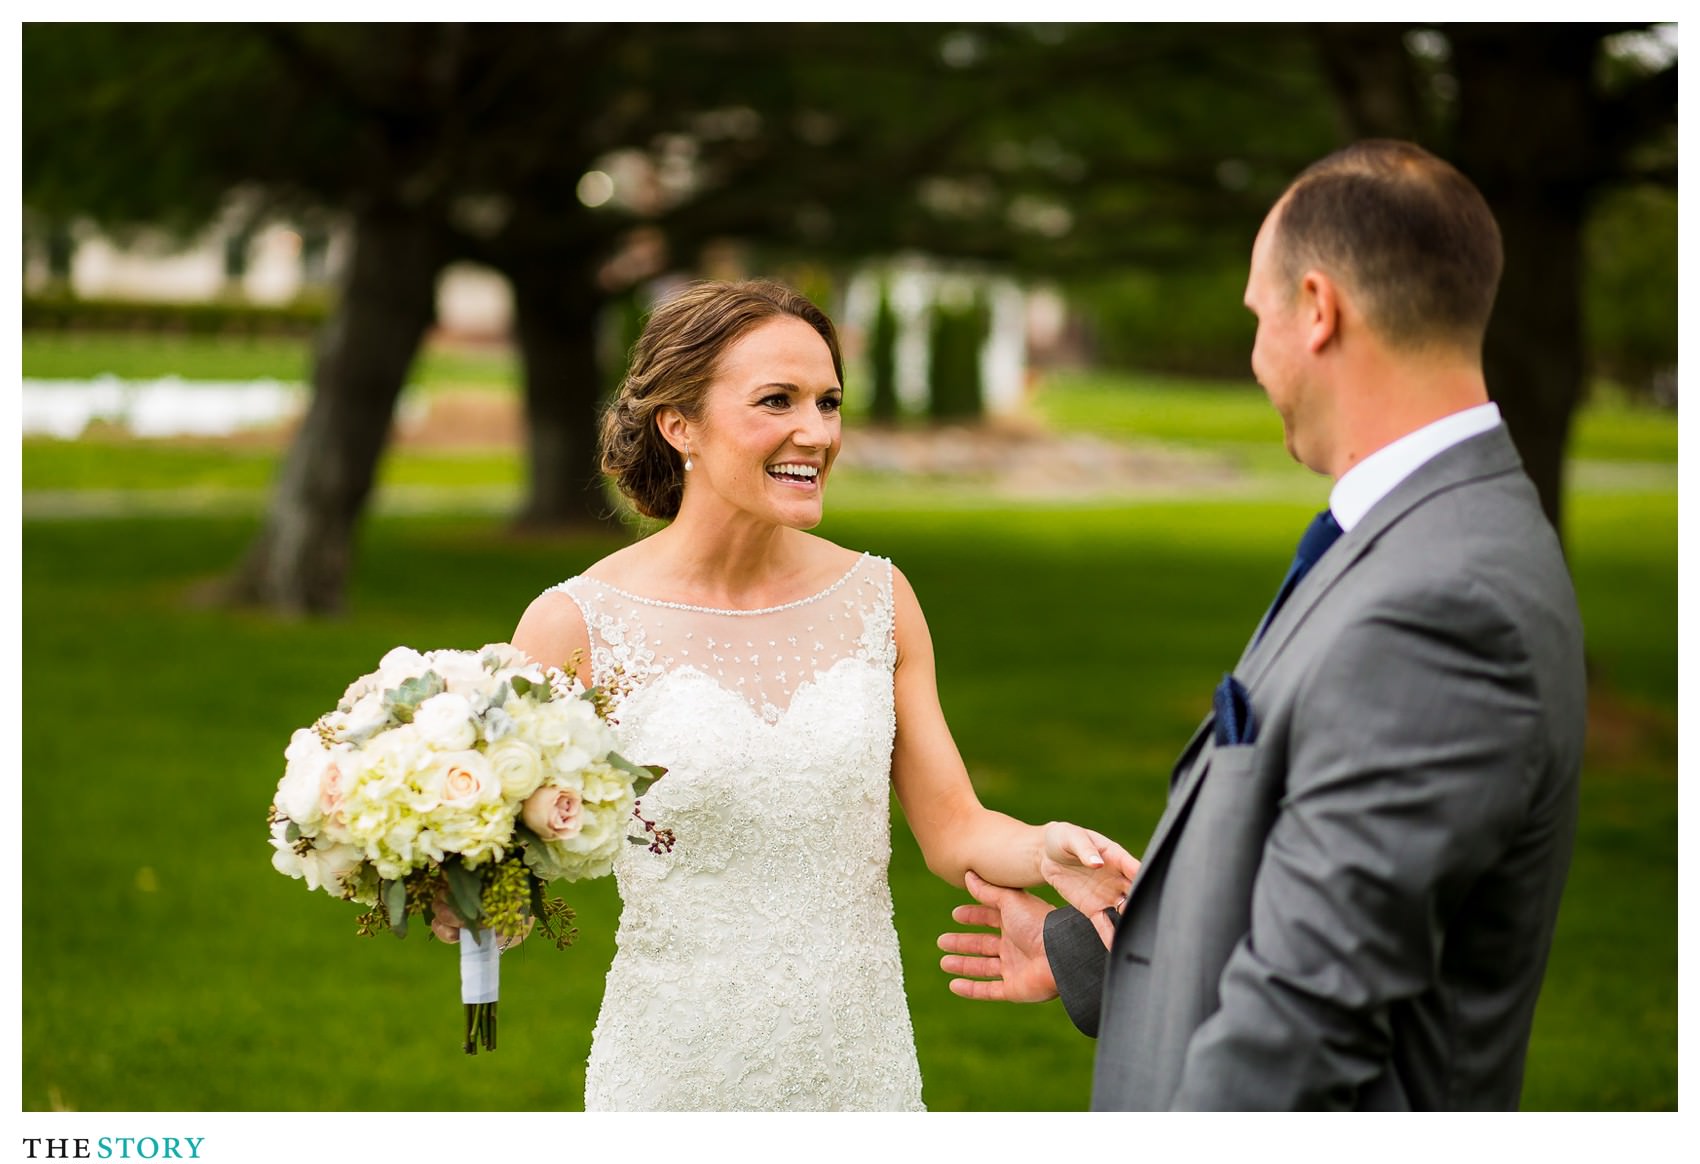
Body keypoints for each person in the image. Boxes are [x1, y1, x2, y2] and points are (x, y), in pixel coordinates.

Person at [938, 139, 1586, 1110]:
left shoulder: (1442, 604)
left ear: (1316, 310)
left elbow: (1305, 1016)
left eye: (1257, 317)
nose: (1252, 357)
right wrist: (1096, 959)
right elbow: (1307, 880)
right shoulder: (1423, 533)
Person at [489, 278, 1138, 1111]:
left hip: (859, 1069)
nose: (817, 431)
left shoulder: (880, 600)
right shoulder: (575, 623)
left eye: (829, 401)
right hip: (670, 1069)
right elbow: (493, 851)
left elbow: (954, 828)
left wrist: (1043, 847)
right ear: (678, 423)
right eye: (777, 400)